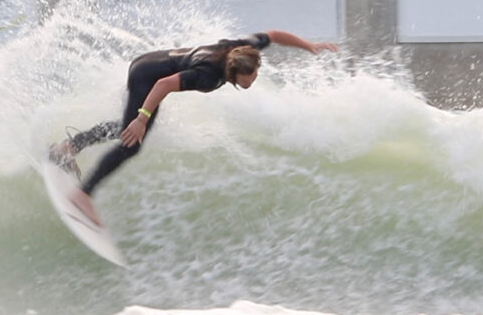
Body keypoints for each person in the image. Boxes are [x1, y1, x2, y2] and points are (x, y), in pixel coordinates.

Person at [49, 29, 339, 226]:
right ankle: (83, 194)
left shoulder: (241, 50)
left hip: (151, 60)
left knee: (127, 128)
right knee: (132, 141)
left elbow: (273, 35)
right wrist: (142, 117)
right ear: (235, 72)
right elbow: (164, 85)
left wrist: (309, 46)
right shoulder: (207, 75)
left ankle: (68, 147)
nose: (254, 77)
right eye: (251, 75)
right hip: (147, 76)